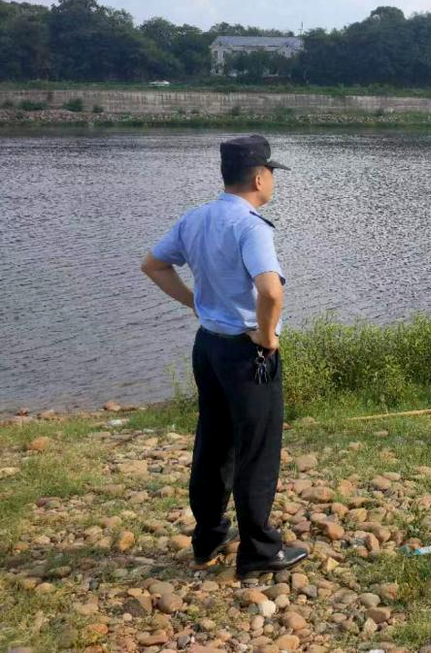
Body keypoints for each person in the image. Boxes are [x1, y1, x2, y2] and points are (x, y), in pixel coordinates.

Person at [141, 135, 308, 578]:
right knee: (257, 448)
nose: (272, 180)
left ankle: (209, 535)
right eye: (270, 173)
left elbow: (153, 265)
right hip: (245, 351)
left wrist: (195, 302)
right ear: (258, 177)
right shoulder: (250, 225)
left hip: (208, 346)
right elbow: (271, 290)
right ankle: (258, 550)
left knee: (213, 440)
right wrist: (268, 337)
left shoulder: (196, 219)